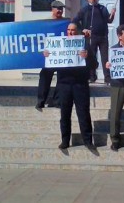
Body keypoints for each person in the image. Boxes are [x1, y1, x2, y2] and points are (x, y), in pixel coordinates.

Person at [43, 23, 98, 151]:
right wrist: (47, 56)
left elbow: (95, 64)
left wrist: (87, 56)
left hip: (80, 85)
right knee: (65, 114)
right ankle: (65, 140)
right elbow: (51, 66)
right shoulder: (58, 45)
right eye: (68, 30)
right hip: (64, 84)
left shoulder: (84, 45)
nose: (70, 32)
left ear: (77, 32)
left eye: (73, 30)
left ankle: (88, 141)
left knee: (83, 113)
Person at [72, 0, 115, 85]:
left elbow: (109, 20)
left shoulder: (102, 8)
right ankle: (92, 77)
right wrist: (82, 30)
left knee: (105, 58)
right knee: (91, 57)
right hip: (91, 37)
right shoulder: (84, 10)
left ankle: (107, 78)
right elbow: (75, 21)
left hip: (103, 37)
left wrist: (113, 13)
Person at [36, 0, 66, 111]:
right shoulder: (45, 23)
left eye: (61, 8)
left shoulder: (66, 23)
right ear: (52, 9)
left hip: (61, 57)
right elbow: (37, 40)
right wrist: (42, 51)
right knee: (44, 76)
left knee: (62, 77)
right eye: (57, 8)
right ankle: (40, 101)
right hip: (48, 57)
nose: (59, 10)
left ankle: (56, 101)